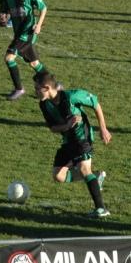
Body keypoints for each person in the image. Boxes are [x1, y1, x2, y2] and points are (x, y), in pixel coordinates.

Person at [35, 71, 112, 218]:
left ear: (46, 88)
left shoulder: (71, 96)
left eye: (37, 88)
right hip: (67, 140)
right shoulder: (44, 105)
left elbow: (95, 102)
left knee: (84, 169)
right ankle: (95, 178)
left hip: (82, 138)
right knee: (58, 176)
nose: (35, 92)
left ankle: (101, 209)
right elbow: (52, 128)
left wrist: (103, 128)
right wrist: (67, 125)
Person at [3, 0, 48, 100]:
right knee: (34, 64)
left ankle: (19, 89)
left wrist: (39, 25)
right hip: (18, 33)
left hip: (27, 33)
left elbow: (43, 8)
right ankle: (55, 86)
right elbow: (12, 11)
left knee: (9, 58)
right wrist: (6, 16)